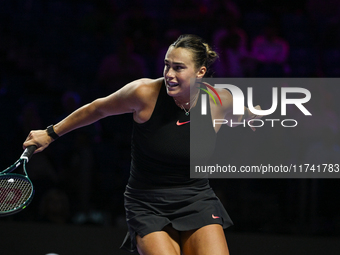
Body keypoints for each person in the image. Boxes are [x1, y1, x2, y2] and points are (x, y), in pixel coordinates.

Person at [23, 34, 260, 255]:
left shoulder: (220, 100)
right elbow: (98, 108)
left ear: (201, 72)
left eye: (178, 68)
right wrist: (51, 133)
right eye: (167, 65)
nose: (169, 74)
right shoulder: (145, 92)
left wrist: (253, 115)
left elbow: (239, 116)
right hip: (148, 203)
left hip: (196, 198)